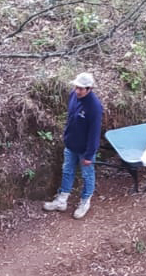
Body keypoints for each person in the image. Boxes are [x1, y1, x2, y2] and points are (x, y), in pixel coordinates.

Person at [43, 71, 105, 220]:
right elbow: (70, 118)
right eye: (76, 87)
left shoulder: (94, 107)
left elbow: (94, 133)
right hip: (71, 145)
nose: (77, 91)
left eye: (81, 89)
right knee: (67, 171)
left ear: (89, 89)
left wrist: (90, 154)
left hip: (85, 149)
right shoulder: (73, 96)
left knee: (87, 175)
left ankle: (85, 201)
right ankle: (62, 199)